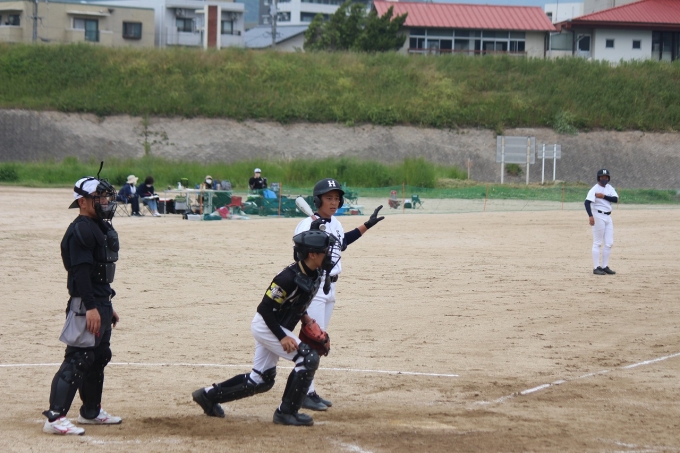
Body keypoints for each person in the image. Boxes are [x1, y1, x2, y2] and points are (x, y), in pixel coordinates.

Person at [191, 230, 333, 426]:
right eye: (325, 251)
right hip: (267, 325)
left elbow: (296, 302)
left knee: (261, 380)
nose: (329, 255)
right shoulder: (286, 278)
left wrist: (306, 318)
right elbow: (265, 309)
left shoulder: (313, 272)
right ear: (312, 254)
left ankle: (207, 396)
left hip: (277, 325)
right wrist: (282, 337)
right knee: (308, 358)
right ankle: (286, 413)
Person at [293, 178, 384, 411]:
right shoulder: (307, 224)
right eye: (329, 198)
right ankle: (304, 392)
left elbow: (342, 243)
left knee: (318, 340)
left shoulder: (335, 223)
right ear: (317, 201)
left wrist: (367, 225)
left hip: (331, 287)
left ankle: (308, 390)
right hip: (314, 287)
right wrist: (316, 236)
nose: (334, 202)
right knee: (312, 340)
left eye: (336, 198)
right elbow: (298, 256)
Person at [42, 175, 122, 435]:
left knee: (99, 356)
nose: (106, 201)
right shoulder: (81, 230)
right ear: (82, 202)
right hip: (85, 305)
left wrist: (106, 305)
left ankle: (91, 411)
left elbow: (99, 274)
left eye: (106, 196)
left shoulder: (98, 226)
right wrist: (91, 307)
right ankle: (55, 417)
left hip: (100, 302)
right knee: (79, 358)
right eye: (99, 197)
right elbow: (81, 274)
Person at [585, 168, 619, 275]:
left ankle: (604, 266)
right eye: (602, 177)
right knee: (598, 242)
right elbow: (587, 202)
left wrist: (603, 196)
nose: (604, 179)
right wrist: (590, 216)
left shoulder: (609, 188)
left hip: (608, 216)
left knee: (609, 243)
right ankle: (596, 267)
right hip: (598, 215)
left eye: (606, 177)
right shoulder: (594, 189)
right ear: (598, 178)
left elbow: (615, 199)